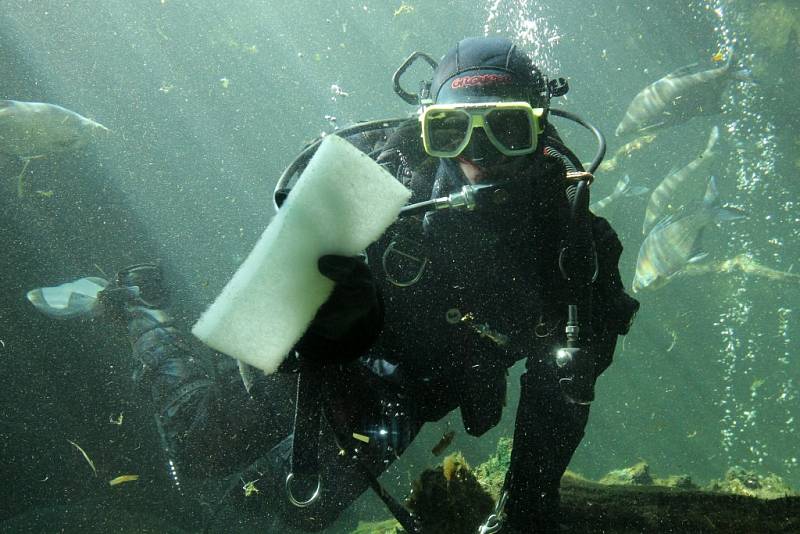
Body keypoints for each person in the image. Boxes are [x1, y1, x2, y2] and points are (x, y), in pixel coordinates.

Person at [28, 37, 638, 533]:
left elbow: (563, 390)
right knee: (199, 445)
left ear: (542, 126)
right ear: (426, 128)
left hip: (406, 401)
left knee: (285, 515)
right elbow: (258, 328)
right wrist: (309, 354)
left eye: (507, 129)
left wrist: (525, 512)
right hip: (322, 366)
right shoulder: (369, 175)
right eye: (452, 132)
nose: (480, 156)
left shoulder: (578, 248)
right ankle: (136, 305)